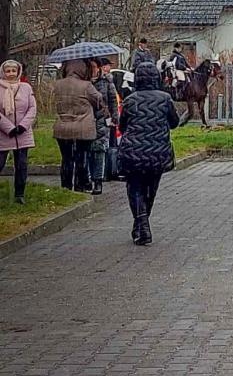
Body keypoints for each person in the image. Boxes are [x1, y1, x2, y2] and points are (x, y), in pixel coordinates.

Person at [117, 61, 179, 246]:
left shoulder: (130, 100)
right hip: (157, 153)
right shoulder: (165, 99)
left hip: (133, 153)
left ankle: (141, 225)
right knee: (150, 190)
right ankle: (142, 225)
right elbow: (174, 123)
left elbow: (122, 125)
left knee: (135, 188)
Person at [53, 60, 107, 192]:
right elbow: (98, 101)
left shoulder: (58, 84)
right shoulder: (86, 85)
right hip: (83, 126)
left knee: (66, 158)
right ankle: (80, 185)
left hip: (62, 126)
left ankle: (66, 186)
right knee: (81, 157)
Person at [0, 59, 37, 204]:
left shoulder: (26, 87)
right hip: (4, 133)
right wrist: (8, 128)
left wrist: (23, 126)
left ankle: (19, 194)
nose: (11, 74)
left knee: (22, 165)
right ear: (3, 72)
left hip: (23, 133)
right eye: (8, 71)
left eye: (13, 71)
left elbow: (32, 108)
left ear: (18, 72)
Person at [89, 58, 119, 194]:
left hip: (102, 120)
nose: (93, 70)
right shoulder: (85, 82)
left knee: (99, 149)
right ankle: (87, 178)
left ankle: (98, 180)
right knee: (87, 151)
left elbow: (113, 100)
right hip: (87, 120)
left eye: (95, 67)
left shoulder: (106, 82)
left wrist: (114, 118)